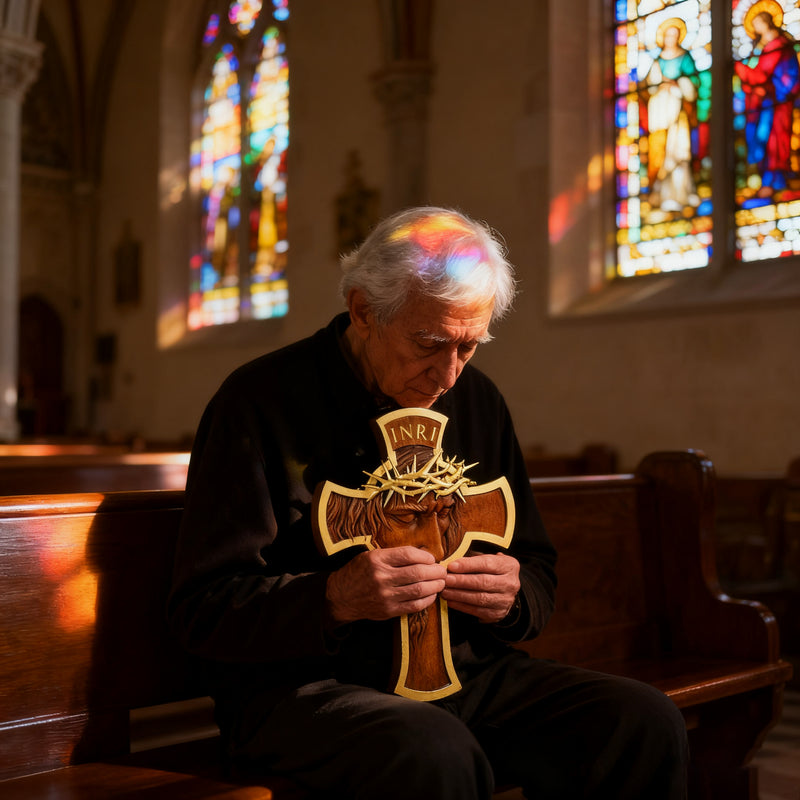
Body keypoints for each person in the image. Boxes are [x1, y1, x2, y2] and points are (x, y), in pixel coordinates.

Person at [168, 206, 688, 799]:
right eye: (429, 343)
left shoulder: (479, 402)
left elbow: (538, 570)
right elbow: (201, 610)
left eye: (469, 347)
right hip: (306, 689)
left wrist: (513, 596)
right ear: (363, 311)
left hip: (467, 674)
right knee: (432, 752)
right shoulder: (258, 402)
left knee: (639, 723)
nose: (447, 376)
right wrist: (335, 598)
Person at [735, 5, 800, 198]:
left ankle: (776, 180)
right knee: (765, 138)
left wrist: (741, 69)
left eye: (758, 24)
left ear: (766, 22)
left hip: (778, 99)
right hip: (766, 101)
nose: (756, 29)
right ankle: (769, 180)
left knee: (776, 138)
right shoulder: (762, 46)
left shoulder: (778, 43)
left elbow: (762, 74)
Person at [643, 18, 702, 217]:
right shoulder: (657, 61)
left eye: (675, 35)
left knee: (678, 151)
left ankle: (681, 195)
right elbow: (649, 86)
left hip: (677, 109)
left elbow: (694, 83)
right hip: (660, 111)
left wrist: (677, 84)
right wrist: (660, 85)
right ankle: (660, 194)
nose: (671, 39)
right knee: (659, 152)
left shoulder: (685, 58)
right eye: (668, 35)